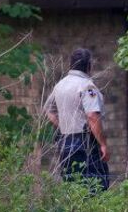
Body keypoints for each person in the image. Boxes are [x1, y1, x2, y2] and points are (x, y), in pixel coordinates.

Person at [44, 48, 110, 191]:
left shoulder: (60, 85)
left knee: (72, 189)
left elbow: (49, 111)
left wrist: (63, 126)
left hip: (65, 142)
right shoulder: (88, 86)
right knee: (95, 187)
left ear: (71, 65)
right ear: (89, 66)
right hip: (86, 143)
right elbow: (92, 116)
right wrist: (103, 144)